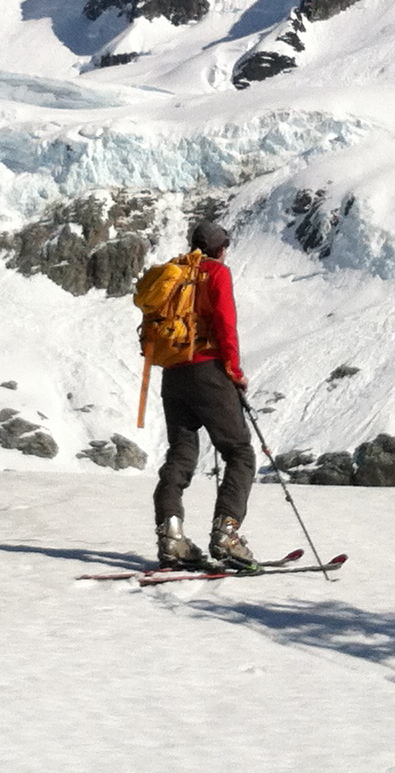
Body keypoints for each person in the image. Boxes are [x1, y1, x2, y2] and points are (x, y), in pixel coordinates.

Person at [152, 220, 258, 569]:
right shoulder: (216, 273)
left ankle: (171, 535)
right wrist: (235, 373)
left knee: (181, 454)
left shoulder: (174, 272)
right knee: (239, 452)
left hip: (173, 373)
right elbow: (226, 325)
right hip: (208, 371)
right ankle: (226, 534)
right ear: (219, 248)